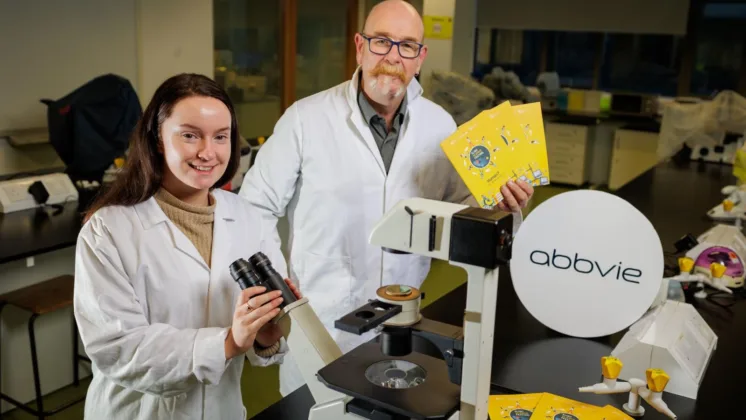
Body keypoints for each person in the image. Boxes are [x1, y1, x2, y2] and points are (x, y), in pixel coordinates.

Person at [239, 0, 534, 397]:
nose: (392, 57)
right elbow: (253, 209)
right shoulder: (305, 120)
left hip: (403, 325)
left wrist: (506, 205)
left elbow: (464, 214)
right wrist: (281, 296)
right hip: (319, 321)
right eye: (381, 42)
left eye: (407, 45)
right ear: (359, 46)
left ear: (420, 57)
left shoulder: (438, 125)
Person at [73, 73, 301, 419]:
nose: (208, 152)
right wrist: (228, 342)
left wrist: (265, 334)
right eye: (190, 135)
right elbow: (117, 348)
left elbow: (265, 345)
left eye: (220, 137)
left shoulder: (250, 219)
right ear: (158, 139)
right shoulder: (109, 229)